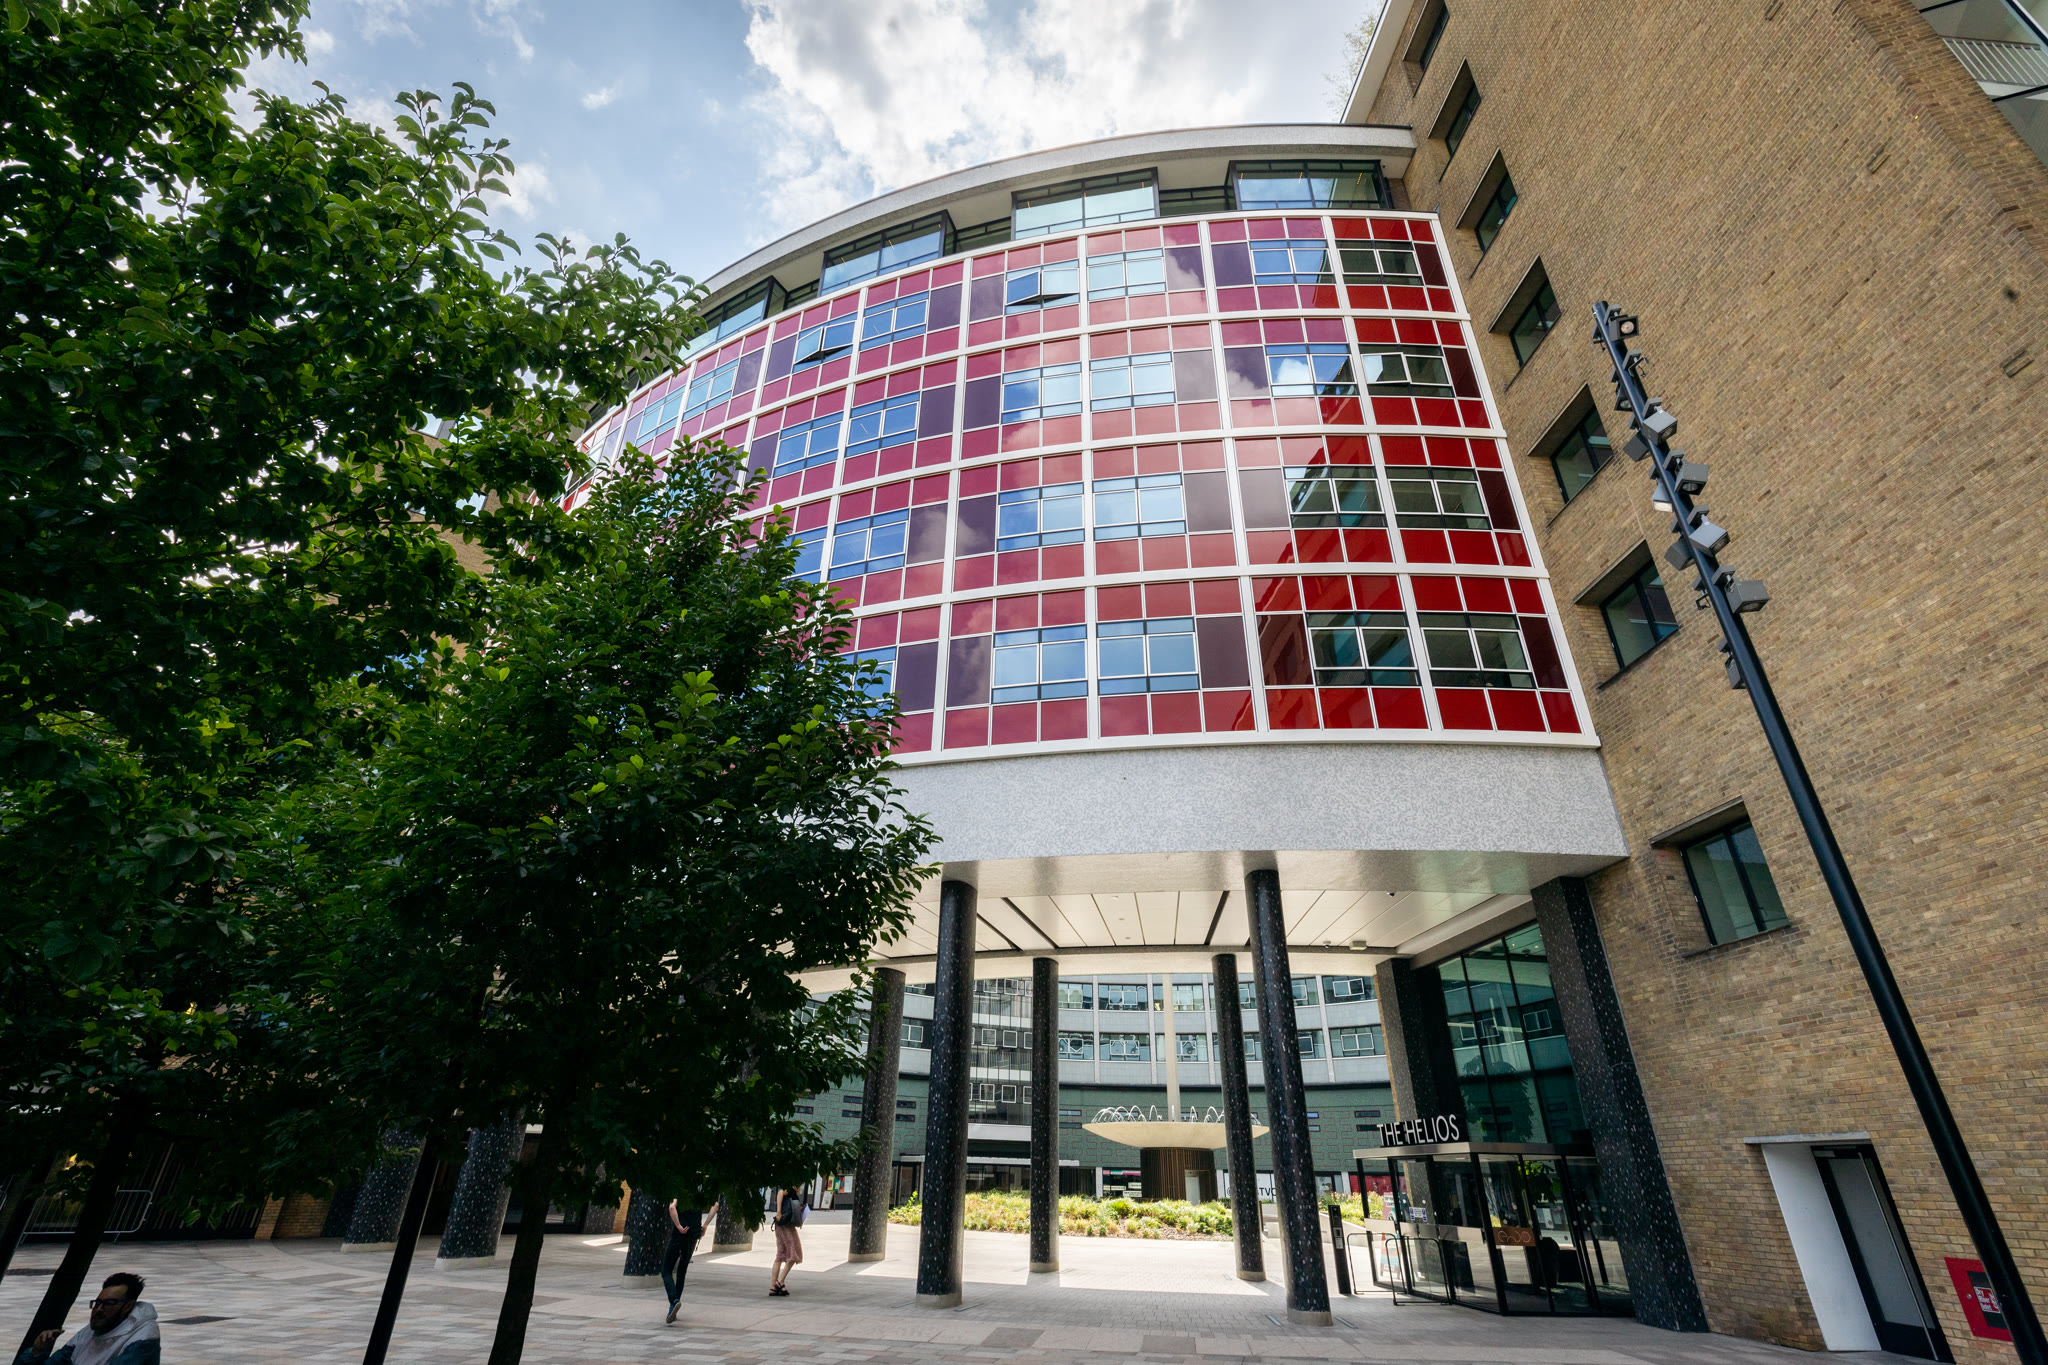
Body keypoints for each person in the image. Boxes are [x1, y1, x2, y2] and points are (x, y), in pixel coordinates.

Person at [15, 1272, 159, 1365]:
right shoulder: (90, 1332)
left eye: (108, 1303)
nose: (99, 1309)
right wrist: (37, 1353)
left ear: (128, 1306)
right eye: (97, 1303)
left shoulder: (143, 1338)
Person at [661, 1198, 705, 1323]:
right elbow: (715, 1205)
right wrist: (706, 1224)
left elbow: (672, 1207)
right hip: (692, 1237)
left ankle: (674, 1300)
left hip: (679, 1236)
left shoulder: (680, 1192)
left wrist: (679, 1226)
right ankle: (673, 1308)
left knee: (666, 1270)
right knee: (682, 1271)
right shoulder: (699, 1194)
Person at [768, 1186, 803, 1297]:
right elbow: (780, 1193)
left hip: (780, 1225)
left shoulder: (792, 1188)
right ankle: (780, 1282)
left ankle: (773, 1287)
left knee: (780, 1254)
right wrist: (778, 1212)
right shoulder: (790, 1186)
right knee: (795, 1253)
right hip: (786, 1225)